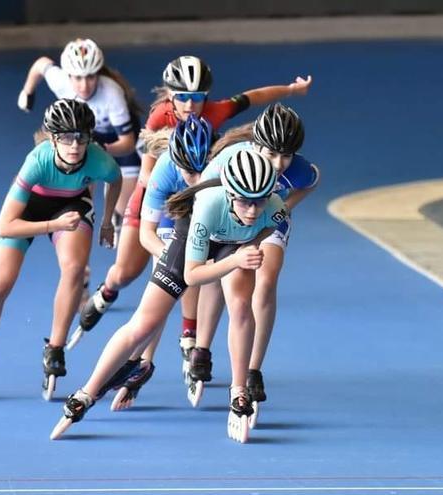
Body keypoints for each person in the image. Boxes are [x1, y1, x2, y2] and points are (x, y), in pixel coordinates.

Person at [74, 54, 312, 348]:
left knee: (197, 264)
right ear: (171, 96)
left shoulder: (215, 112)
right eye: (183, 97)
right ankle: (108, 290)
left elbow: (254, 97)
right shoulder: (160, 117)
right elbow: (148, 174)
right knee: (126, 272)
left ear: (206, 97)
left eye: (197, 97)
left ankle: (189, 334)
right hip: (163, 192)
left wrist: (291, 90)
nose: (190, 105)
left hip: (199, 195)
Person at [51, 149, 286, 444]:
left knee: (240, 306)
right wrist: (235, 261)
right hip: (193, 243)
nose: (252, 211)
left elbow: (266, 225)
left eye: (259, 201)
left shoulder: (276, 207)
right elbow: (192, 277)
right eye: (244, 201)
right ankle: (86, 393)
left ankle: (238, 392)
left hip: (235, 245)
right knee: (143, 325)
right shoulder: (207, 207)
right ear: (228, 193)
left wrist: (247, 245)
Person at [0, 99, 121, 401]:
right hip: (31, 209)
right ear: (52, 138)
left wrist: (106, 221)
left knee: (74, 269)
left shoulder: (100, 160)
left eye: (81, 138)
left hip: (72, 204)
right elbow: (6, 226)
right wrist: (54, 225)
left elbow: (114, 182)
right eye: (65, 138)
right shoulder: (37, 162)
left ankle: (56, 348)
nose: (74, 146)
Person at [188, 104, 318, 427]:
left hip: (266, 222)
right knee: (216, 275)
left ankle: (253, 369)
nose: (278, 164)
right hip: (227, 219)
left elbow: (312, 179)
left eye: (285, 156)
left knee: (265, 282)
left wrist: (285, 207)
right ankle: (202, 347)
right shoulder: (229, 161)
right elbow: (202, 195)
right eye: (272, 154)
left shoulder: (296, 168)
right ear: (256, 144)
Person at [98, 115, 213, 410]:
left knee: (205, 278)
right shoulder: (164, 171)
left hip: (206, 213)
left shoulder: (219, 167)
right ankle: (142, 362)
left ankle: (193, 338)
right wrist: (169, 262)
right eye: (190, 171)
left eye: (202, 170)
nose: (196, 178)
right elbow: (147, 235)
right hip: (168, 212)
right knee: (164, 284)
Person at [17, 38, 142, 238]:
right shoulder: (61, 81)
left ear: (98, 74)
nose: (84, 85)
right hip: (84, 139)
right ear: (68, 75)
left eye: (90, 77)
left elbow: (127, 144)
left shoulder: (112, 94)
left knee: (125, 211)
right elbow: (41, 65)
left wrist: (100, 149)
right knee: (79, 202)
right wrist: (27, 91)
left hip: (117, 143)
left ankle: (116, 219)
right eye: (77, 78)